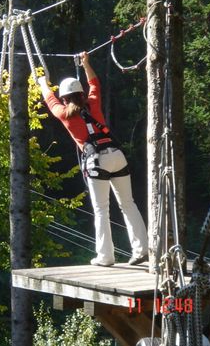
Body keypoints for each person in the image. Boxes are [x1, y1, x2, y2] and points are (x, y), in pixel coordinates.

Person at [37, 52, 148, 267]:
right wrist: (86, 63)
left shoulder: (63, 113)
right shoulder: (94, 103)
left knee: (101, 209)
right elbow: (94, 83)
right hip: (117, 156)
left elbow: (49, 99)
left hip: (96, 161)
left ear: (64, 98)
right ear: (80, 93)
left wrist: (42, 81)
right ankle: (142, 248)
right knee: (128, 203)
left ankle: (106, 256)